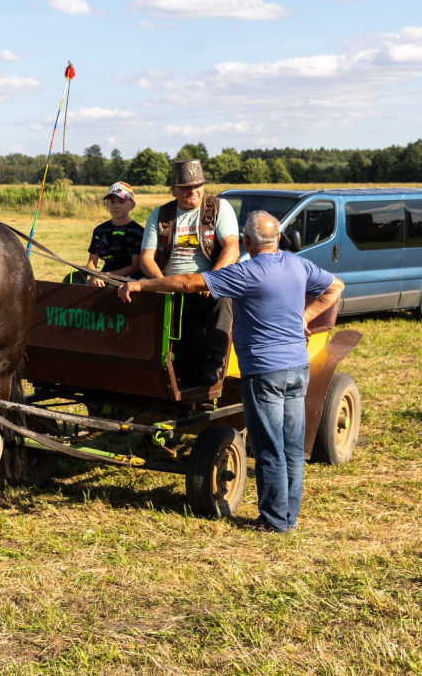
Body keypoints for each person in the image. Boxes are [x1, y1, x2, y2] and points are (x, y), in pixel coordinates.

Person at [119, 210, 345, 533]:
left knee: (268, 448)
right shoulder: (297, 264)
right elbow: (336, 286)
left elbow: (188, 282)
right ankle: (288, 517)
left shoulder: (246, 272)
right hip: (297, 367)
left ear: (247, 241)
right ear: (278, 239)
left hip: (264, 372)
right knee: (291, 445)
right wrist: (305, 318)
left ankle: (273, 521)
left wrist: (143, 286)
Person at [139, 159, 240, 384]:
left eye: (197, 186)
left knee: (223, 298)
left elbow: (232, 248)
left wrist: (211, 279)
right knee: (140, 298)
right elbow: (147, 258)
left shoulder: (219, 208)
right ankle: (150, 364)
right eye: (185, 187)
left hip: (208, 281)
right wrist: (161, 282)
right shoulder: (159, 214)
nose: (192, 191)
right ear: (174, 190)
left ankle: (212, 365)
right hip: (170, 282)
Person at [83, 181, 144, 287]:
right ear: (107, 205)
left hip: (130, 279)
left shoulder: (138, 232)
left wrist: (107, 276)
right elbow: (91, 262)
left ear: (132, 205)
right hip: (104, 276)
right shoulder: (99, 231)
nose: (116, 206)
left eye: (121, 201)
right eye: (112, 201)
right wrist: (94, 275)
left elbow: (135, 266)